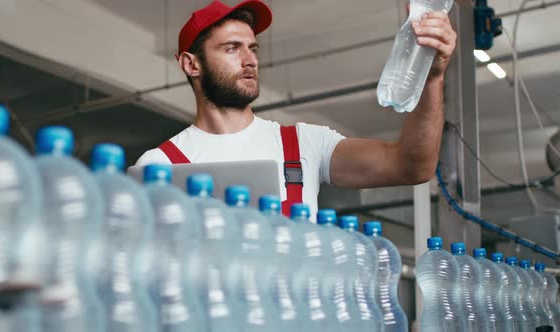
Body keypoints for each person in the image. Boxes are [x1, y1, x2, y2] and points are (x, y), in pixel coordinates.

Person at [134, 0, 457, 216]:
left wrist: (432, 76)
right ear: (191, 64)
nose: (250, 60)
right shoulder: (160, 165)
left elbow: (411, 166)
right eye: (232, 48)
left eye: (253, 48)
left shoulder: (303, 142)